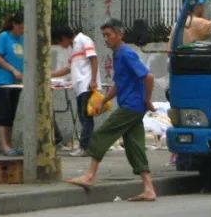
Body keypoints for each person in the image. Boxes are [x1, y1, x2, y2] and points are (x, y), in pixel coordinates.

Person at [65, 20, 158, 201]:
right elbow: (119, 83)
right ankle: (149, 188)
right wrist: (104, 100)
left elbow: (148, 77)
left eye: (109, 35)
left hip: (131, 107)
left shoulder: (126, 54)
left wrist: (147, 100)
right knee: (134, 146)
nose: (106, 39)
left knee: (101, 135)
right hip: (132, 107)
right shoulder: (118, 55)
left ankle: (90, 175)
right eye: (104, 36)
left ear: (120, 34)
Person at [51, 27, 100, 156]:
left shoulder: (84, 40)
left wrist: (93, 80)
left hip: (87, 85)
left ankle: (85, 147)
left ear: (64, 37)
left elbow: (94, 59)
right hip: (79, 87)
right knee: (83, 117)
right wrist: (50, 74)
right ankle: (87, 146)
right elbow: (68, 68)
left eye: (58, 41)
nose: (60, 45)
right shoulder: (73, 49)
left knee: (86, 117)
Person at [0, 10, 25, 155]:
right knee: (5, 113)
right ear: (14, 24)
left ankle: (10, 144)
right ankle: (4, 145)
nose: (22, 30)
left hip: (17, 83)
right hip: (3, 82)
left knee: (11, 113)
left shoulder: (23, 38)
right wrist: (13, 70)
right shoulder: (4, 37)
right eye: (21, 27)